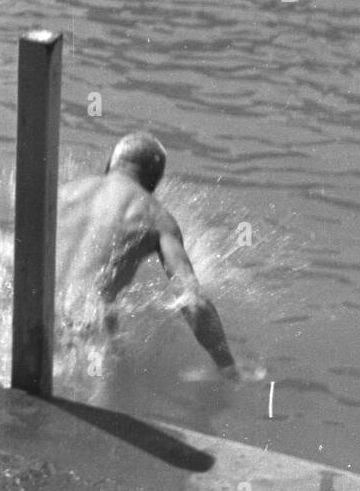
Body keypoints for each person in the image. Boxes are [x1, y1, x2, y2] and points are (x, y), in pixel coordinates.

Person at [55, 132, 238, 376]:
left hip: (36, 314)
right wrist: (228, 366)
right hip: (85, 338)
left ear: (111, 162)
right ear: (154, 183)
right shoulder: (156, 217)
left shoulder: (62, 193)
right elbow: (192, 300)